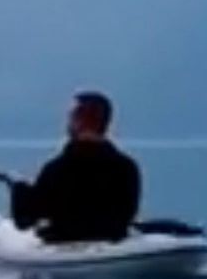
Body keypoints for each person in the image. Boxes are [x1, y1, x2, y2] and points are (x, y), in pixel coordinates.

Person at [10, 91, 143, 244]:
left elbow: (25, 221)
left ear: (78, 121)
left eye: (71, 117)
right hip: (113, 242)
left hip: (64, 244)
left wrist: (19, 190)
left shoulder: (56, 170)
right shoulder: (128, 168)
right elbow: (128, 214)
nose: (68, 123)